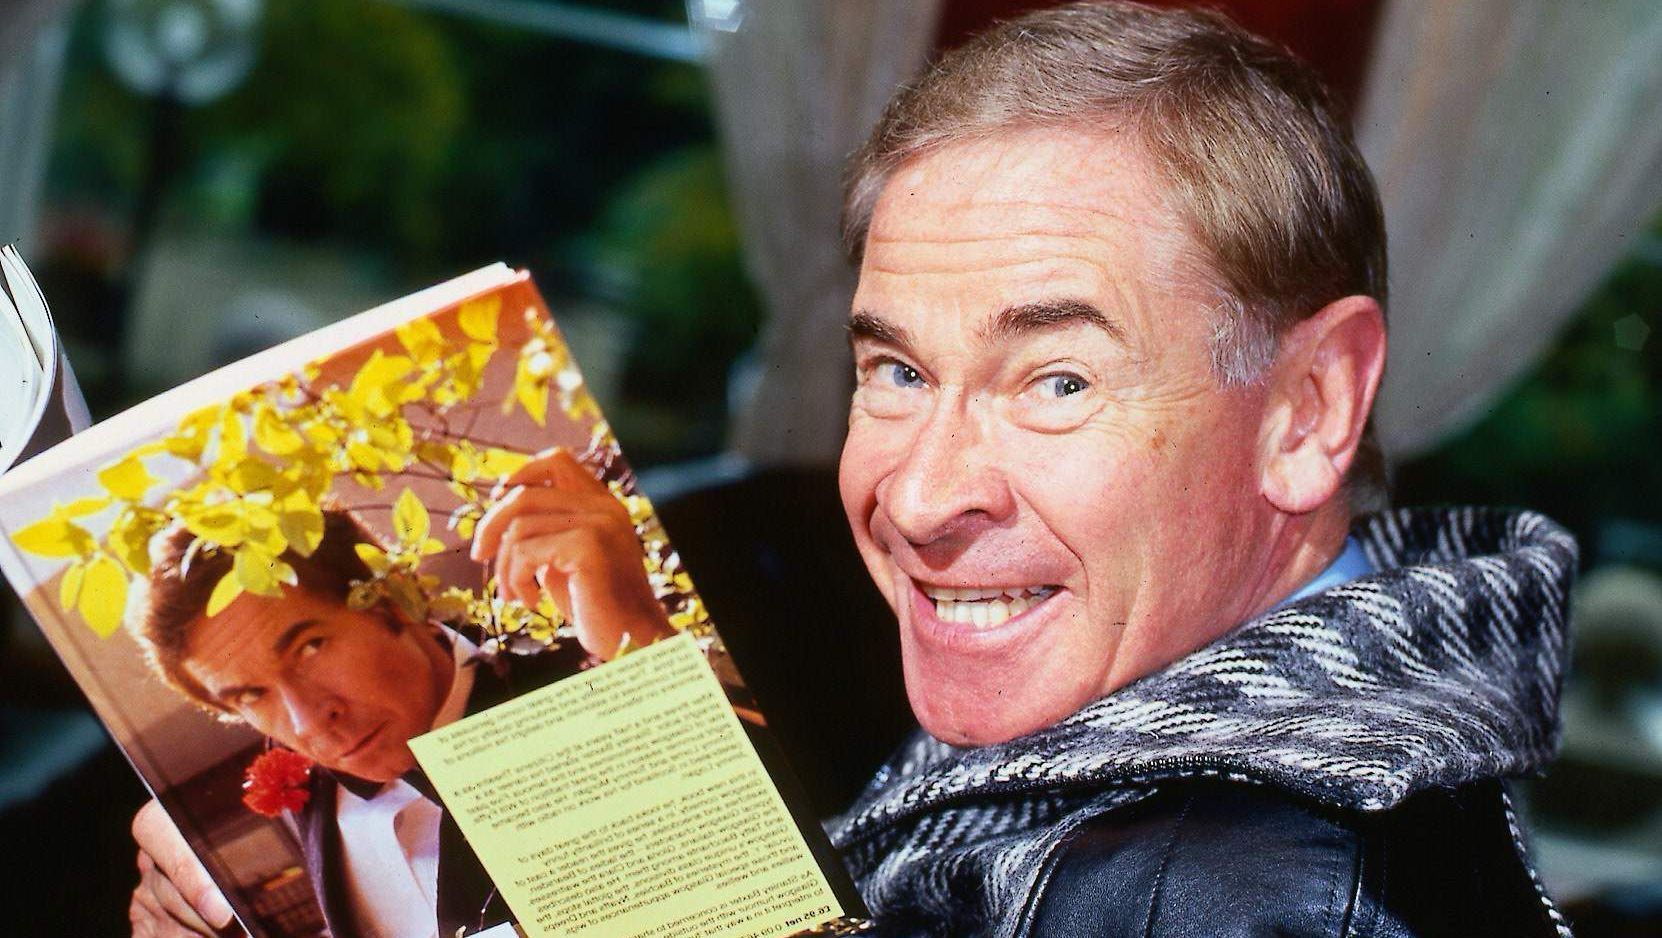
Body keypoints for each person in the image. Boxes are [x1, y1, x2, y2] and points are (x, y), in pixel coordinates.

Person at [131, 3, 1579, 935]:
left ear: (1307, 407)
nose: (921, 495)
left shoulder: (1207, 885)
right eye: (895, 371)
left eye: (1057, 380)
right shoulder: (1136, 727)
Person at [127, 449, 673, 938]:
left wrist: (649, 652)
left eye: (310, 647)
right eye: (251, 694)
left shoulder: (602, 684)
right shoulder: (303, 800)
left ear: (395, 596)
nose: (310, 722)